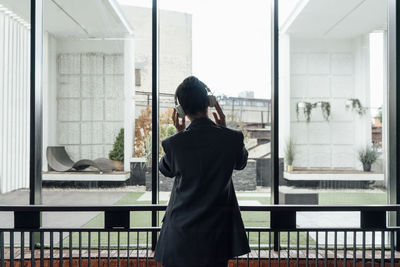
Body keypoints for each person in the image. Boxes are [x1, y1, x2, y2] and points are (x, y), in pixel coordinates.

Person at [154, 76, 250, 267]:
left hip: (179, 238)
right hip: (217, 239)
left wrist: (180, 134)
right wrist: (223, 128)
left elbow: (165, 169)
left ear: (180, 110)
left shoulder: (175, 143)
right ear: (209, 102)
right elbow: (240, 163)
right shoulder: (232, 139)